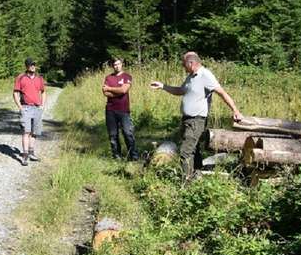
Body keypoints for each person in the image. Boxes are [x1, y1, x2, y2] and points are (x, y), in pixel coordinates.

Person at [151, 52, 243, 180]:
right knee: (194, 150)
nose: (183, 67)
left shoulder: (205, 75)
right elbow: (180, 91)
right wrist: (163, 86)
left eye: (184, 64)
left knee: (185, 151)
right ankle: (197, 175)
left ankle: (186, 183)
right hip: (186, 120)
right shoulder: (190, 77)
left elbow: (222, 92)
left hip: (196, 120)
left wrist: (235, 110)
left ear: (191, 63)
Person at [102, 58, 139, 160]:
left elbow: (124, 90)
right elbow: (105, 93)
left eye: (118, 64)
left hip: (123, 110)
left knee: (128, 133)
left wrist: (110, 89)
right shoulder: (108, 77)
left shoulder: (127, 76)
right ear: (112, 66)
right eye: (114, 65)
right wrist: (117, 91)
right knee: (113, 135)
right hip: (110, 110)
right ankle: (117, 156)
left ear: (122, 64)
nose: (116, 66)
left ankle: (133, 156)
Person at [13, 57, 46, 166]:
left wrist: (42, 105)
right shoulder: (21, 77)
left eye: (34, 65)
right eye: (31, 65)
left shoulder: (39, 78)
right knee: (26, 132)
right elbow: (15, 93)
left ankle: (31, 152)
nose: (33, 66)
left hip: (37, 108)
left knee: (34, 132)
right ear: (26, 66)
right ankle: (25, 155)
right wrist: (20, 107)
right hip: (26, 108)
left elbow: (43, 92)